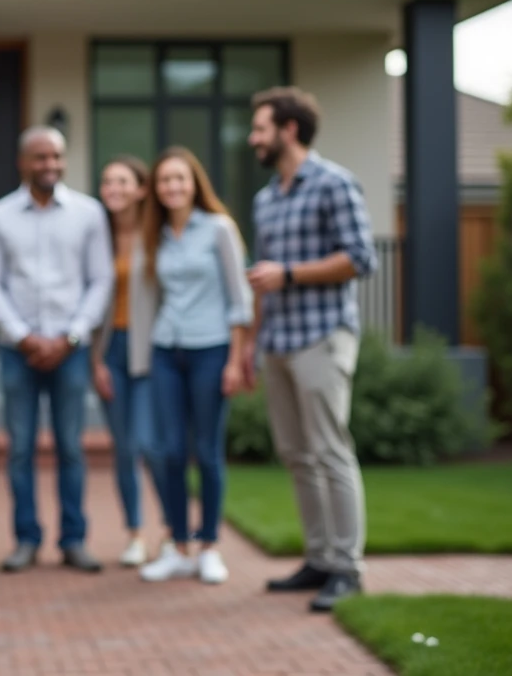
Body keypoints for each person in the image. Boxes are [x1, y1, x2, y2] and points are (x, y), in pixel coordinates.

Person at [243, 86, 377, 613]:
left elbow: (362, 258)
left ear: (289, 130)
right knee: (297, 455)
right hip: (278, 340)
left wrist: (291, 274)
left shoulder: (335, 183)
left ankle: (348, 567)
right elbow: (264, 279)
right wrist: (252, 343)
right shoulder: (266, 197)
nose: (253, 137)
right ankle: (319, 558)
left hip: (322, 336)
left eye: (260, 128)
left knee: (329, 450)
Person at [0, 126, 114, 574]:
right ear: (23, 162)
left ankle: (74, 540)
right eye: (40, 157)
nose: (50, 164)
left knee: (71, 446)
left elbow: (101, 280)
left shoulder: (89, 214)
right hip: (19, 351)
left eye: (56, 156)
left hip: (71, 350)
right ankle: (26, 540)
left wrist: (71, 336)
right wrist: (23, 336)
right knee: (20, 449)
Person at [136, 147, 253, 586]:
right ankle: (177, 545)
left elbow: (240, 298)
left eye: (179, 179)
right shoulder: (157, 234)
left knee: (206, 452)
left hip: (211, 350)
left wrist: (235, 359)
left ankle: (209, 547)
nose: (173, 187)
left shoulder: (218, 228)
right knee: (166, 450)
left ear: (194, 182)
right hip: (168, 349)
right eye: (165, 180)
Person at [90, 155, 170, 567]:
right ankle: (136, 534)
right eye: (107, 182)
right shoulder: (96, 234)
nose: (113, 190)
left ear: (141, 189)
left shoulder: (158, 235)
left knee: (150, 445)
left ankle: (172, 532)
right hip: (110, 352)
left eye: (122, 182)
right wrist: (96, 360)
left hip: (150, 352)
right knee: (124, 449)